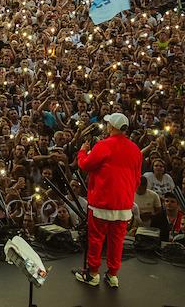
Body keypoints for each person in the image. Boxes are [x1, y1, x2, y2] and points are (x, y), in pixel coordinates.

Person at [74, 112, 142, 289]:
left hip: (102, 203)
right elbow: (137, 179)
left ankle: (93, 274)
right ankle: (112, 275)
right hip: (124, 205)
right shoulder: (135, 149)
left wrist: (82, 152)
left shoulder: (103, 145)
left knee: (96, 239)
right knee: (117, 241)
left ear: (111, 127)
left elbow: (85, 165)